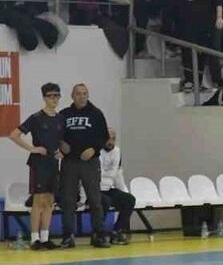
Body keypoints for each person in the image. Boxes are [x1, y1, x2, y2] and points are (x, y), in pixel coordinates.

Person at [8, 82, 63, 249]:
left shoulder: (60, 118)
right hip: (39, 164)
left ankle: (45, 238)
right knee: (38, 200)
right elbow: (14, 135)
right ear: (44, 98)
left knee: (50, 200)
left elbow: (61, 140)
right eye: (50, 96)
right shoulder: (36, 118)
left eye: (56, 95)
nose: (54, 99)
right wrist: (33, 149)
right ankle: (34, 239)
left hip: (53, 163)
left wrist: (61, 152)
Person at [57, 83, 110, 248]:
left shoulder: (96, 114)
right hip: (70, 162)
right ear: (72, 96)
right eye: (78, 93)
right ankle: (68, 236)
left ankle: (98, 235)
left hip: (90, 163)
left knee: (95, 199)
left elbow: (104, 137)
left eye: (84, 93)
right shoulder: (64, 114)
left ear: (88, 95)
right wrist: (61, 143)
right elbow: (55, 134)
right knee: (68, 200)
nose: (82, 96)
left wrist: (94, 149)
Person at [98, 128, 135, 245]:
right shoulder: (96, 151)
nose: (111, 142)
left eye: (113, 139)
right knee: (105, 201)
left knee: (129, 199)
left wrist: (124, 191)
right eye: (108, 139)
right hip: (94, 189)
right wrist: (109, 174)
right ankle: (99, 234)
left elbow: (116, 174)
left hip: (108, 188)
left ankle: (117, 231)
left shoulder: (117, 151)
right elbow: (97, 174)